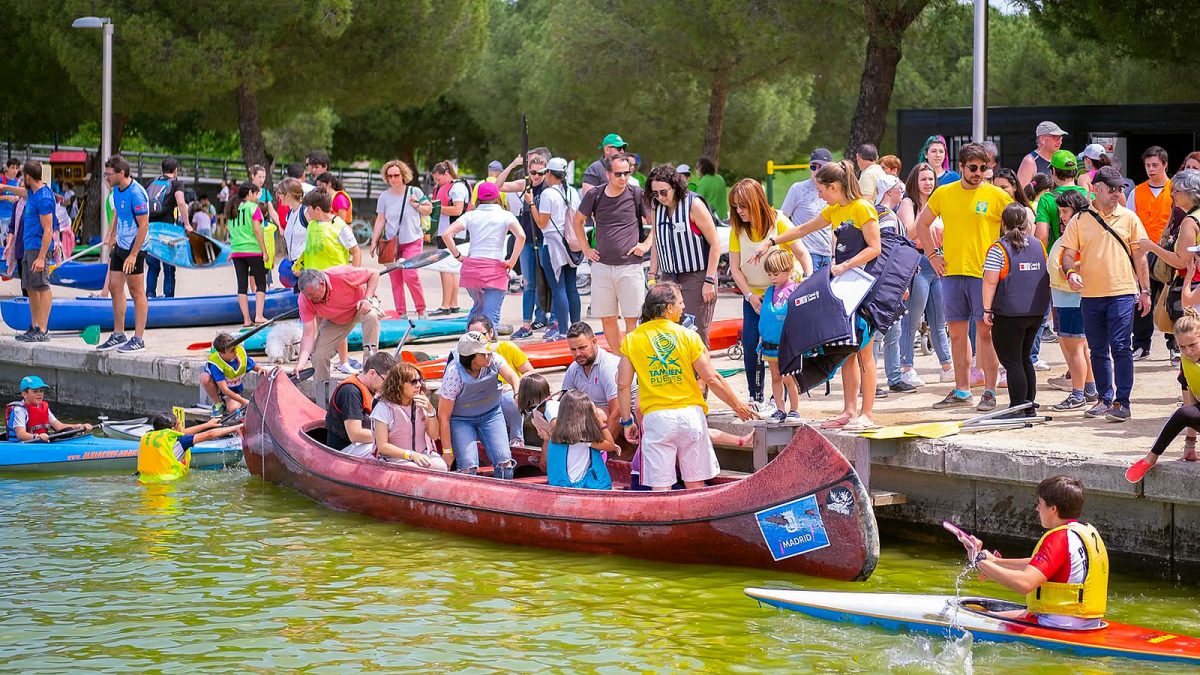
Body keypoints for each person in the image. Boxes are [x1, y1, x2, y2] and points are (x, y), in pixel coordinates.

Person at [756, 160, 883, 431]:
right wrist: (772, 241)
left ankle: (867, 412)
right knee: (848, 350)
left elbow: (875, 248)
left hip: (863, 286)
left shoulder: (862, 207)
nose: (819, 195)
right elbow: (803, 229)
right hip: (844, 287)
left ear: (834, 187)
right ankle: (849, 410)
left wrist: (844, 266)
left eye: (821, 190)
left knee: (865, 351)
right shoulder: (835, 210)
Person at [617, 283, 754, 491]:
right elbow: (712, 378)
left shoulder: (632, 339)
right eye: (680, 303)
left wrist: (627, 422)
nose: (683, 307)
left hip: (657, 419)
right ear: (668, 308)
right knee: (696, 485)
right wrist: (737, 406)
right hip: (691, 417)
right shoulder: (688, 336)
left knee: (660, 488)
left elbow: (622, 384)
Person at [911, 143, 1014, 412]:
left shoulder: (996, 195)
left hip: (985, 275)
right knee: (957, 334)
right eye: (973, 168)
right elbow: (921, 224)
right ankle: (962, 390)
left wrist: (1007, 259)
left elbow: (1021, 222)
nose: (978, 173)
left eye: (983, 168)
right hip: (952, 273)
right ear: (961, 167)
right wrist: (933, 256)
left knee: (985, 334)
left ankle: (989, 392)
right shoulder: (944, 193)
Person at [1059, 166, 1151, 422]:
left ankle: (1122, 402)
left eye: (1119, 189)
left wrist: (1145, 291)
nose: (1116, 193)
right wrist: (1070, 273)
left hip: (1122, 292)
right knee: (1097, 350)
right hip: (1090, 295)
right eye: (1111, 189)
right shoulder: (1079, 220)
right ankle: (1104, 399)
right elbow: (1067, 254)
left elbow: (1140, 258)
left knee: (1120, 347)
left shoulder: (1129, 218)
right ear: (1095, 189)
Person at [963, 476, 1108, 631]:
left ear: (1053, 509)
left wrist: (979, 561)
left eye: (1040, 503)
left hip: (1057, 624)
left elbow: (1025, 584)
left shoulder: (1059, 538)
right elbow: (1041, 565)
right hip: (1084, 621)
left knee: (977, 617)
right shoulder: (1082, 531)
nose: (1037, 509)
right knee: (991, 613)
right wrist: (996, 561)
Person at [727, 178, 810, 411]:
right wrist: (749, 296)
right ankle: (756, 395)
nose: (739, 211)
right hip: (754, 297)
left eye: (743, 206)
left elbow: (802, 254)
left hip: (782, 297)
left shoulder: (778, 221)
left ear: (756, 202)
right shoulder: (738, 230)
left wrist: (805, 282)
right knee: (751, 342)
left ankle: (780, 398)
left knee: (780, 347)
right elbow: (735, 268)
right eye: (735, 207)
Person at [573, 153, 650, 348]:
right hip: (602, 266)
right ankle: (617, 358)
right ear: (608, 174)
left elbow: (656, 222)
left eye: (627, 173)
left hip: (630, 266)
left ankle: (630, 358)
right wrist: (586, 248)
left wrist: (646, 244)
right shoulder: (595, 194)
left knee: (632, 318)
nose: (623, 178)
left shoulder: (636, 193)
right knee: (607, 318)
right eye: (618, 174)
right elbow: (578, 221)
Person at [982, 204, 1051, 417]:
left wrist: (986, 309)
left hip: (1009, 313)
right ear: (1026, 223)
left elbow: (990, 282)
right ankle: (1028, 405)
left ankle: (1018, 405)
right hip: (1036, 311)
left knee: (1012, 361)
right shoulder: (1038, 245)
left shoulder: (999, 248)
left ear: (1003, 223)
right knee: (1024, 357)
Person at [645, 164, 721, 345]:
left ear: (675, 186)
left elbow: (715, 243)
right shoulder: (656, 207)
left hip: (697, 276)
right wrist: (652, 276)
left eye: (664, 192)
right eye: (655, 193)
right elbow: (657, 242)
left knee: (694, 332)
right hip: (668, 277)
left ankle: (702, 365)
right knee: (668, 331)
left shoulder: (693, 204)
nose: (660, 197)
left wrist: (709, 280)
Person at [1126, 307, 1200, 481]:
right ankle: (1150, 458)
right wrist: (1190, 445)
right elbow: (1190, 405)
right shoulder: (1186, 361)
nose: (1188, 351)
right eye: (1182, 347)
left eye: (1192, 345)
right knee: (1184, 411)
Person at [897, 162, 953, 387]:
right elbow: (908, 233)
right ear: (915, 181)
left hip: (938, 262)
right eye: (923, 179)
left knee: (939, 320)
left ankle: (947, 366)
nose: (928, 183)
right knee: (912, 319)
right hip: (917, 262)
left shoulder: (938, 202)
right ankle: (906, 368)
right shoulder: (908, 203)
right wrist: (927, 218)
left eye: (931, 179)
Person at [437, 331, 522, 479]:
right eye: (483, 354)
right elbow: (443, 416)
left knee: (505, 462)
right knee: (468, 465)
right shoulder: (454, 374)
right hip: (461, 420)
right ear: (470, 357)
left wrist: (517, 393)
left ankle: (502, 488)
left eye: (489, 351)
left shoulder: (494, 359)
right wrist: (447, 451)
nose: (489, 355)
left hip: (491, 414)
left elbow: (512, 376)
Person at [443, 181, 524, 329]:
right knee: (490, 315)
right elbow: (521, 236)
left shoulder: (470, 215)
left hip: (471, 269)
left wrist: (458, 256)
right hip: (494, 269)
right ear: (497, 197)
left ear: (478, 198)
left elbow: (446, 234)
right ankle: (489, 342)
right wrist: (512, 261)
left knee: (477, 308)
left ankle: (469, 340)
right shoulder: (506, 215)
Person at [1046, 190, 1099, 412]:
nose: (1062, 216)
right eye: (1060, 212)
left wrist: (1068, 269)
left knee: (1075, 348)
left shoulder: (1079, 233)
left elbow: (1084, 261)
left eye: (1065, 211)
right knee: (1081, 348)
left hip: (1071, 297)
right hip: (1066, 296)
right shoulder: (1076, 232)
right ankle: (1089, 389)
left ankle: (1077, 394)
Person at [291, 266, 382, 385]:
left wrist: (368, 298)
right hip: (337, 319)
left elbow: (374, 273)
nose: (310, 299)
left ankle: (369, 369)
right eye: (307, 295)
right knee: (319, 355)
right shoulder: (305, 300)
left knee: (371, 316)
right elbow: (308, 334)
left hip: (360, 306)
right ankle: (323, 391)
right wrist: (301, 363)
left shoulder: (341, 275)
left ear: (322, 284)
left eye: (312, 295)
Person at [497, 149, 552, 339]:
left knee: (550, 281)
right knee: (529, 283)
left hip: (545, 240)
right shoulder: (524, 184)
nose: (536, 176)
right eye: (533, 172)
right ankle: (526, 325)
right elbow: (497, 186)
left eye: (540, 172)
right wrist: (513, 164)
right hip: (528, 239)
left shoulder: (549, 186)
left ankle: (552, 319)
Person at [527, 156, 582, 341]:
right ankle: (577, 328)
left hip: (552, 245)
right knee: (571, 287)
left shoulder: (548, 193)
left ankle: (564, 331)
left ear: (550, 174)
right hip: (571, 244)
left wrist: (531, 203)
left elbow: (542, 223)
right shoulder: (572, 191)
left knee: (558, 289)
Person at [99, 155, 151, 353]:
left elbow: (144, 225)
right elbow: (118, 216)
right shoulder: (116, 190)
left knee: (136, 291)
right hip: (121, 246)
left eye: (109, 174)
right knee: (114, 286)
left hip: (135, 248)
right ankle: (118, 334)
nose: (107, 177)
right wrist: (111, 235)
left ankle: (138, 339)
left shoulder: (136, 194)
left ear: (121, 173)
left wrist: (133, 255)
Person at [1129, 146, 1175, 361]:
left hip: (1169, 252)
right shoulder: (1137, 191)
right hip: (1143, 253)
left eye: (1155, 165)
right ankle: (1141, 344)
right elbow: (1130, 221)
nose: (1151, 169)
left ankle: (1174, 344)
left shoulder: (1176, 189)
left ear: (1165, 165)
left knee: (1170, 299)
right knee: (1142, 297)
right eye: (1147, 165)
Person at [371, 160, 432, 318]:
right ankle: (401, 313)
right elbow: (380, 219)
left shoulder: (414, 191)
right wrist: (374, 240)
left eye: (396, 175)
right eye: (390, 176)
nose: (393, 179)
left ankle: (421, 310)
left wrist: (417, 205)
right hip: (391, 243)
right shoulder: (384, 196)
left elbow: (429, 209)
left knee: (410, 275)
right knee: (395, 279)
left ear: (403, 175)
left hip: (413, 240)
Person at [467, 315, 533, 447]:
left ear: (490, 333)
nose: (477, 340)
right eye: (472, 336)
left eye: (481, 335)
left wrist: (514, 386)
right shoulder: (467, 354)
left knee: (508, 399)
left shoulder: (506, 348)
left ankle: (516, 438)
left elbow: (530, 372)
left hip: (507, 394)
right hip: (484, 397)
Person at [371, 362, 448, 470]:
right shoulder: (383, 408)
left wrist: (431, 411)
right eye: (413, 382)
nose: (419, 385)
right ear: (398, 384)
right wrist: (410, 454)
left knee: (441, 466)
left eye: (420, 380)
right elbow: (382, 446)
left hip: (422, 454)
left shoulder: (421, 404)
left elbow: (434, 436)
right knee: (412, 470)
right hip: (394, 459)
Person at [14, 160, 57, 343]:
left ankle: (43, 329)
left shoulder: (44, 198)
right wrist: (4, 188)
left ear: (28, 177)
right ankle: (35, 325)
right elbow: (21, 192)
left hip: (39, 249)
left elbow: (48, 230)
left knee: (42, 286)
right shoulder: (32, 192)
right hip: (28, 247)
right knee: (30, 287)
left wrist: (41, 257)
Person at [323, 351, 396, 457]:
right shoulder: (350, 391)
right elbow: (355, 434)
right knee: (390, 452)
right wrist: (388, 436)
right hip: (347, 448)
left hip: (366, 442)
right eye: (386, 381)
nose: (388, 387)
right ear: (372, 373)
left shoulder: (373, 390)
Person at [758, 249, 802, 421]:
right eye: (769, 274)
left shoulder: (795, 290)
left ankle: (794, 409)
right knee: (775, 376)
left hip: (787, 345)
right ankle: (780, 409)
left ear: (788, 269)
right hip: (770, 344)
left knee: (788, 377)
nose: (772, 278)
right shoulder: (769, 292)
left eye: (775, 274)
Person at [137, 413, 243, 484]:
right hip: (166, 485)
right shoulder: (180, 442)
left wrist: (207, 424)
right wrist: (235, 428)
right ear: (174, 428)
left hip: (143, 482)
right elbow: (209, 435)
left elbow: (183, 433)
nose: (182, 427)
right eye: (180, 424)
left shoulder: (149, 436)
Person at [561, 321, 624, 439]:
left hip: (624, 419)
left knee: (595, 415)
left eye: (582, 348)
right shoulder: (574, 368)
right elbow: (563, 404)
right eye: (573, 349)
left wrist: (606, 446)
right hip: (597, 417)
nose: (578, 354)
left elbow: (618, 412)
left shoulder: (608, 366)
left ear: (594, 342)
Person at [542, 389, 615, 490]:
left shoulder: (556, 435)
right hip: (578, 486)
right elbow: (611, 445)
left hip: (561, 485)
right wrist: (599, 420)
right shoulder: (584, 440)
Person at [780, 148, 834, 270]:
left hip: (827, 255)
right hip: (806, 253)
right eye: (813, 167)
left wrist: (834, 255)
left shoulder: (833, 191)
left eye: (821, 167)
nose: (816, 171)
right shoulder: (797, 189)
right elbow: (782, 219)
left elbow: (833, 227)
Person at [225, 181, 269, 326]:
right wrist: (264, 250)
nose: (257, 197)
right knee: (261, 283)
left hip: (237, 252)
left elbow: (231, 232)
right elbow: (257, 230)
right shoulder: (253, 208)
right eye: (256, 194)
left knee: (242, 285)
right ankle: (259, 316)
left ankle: (246, 319)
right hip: (253, 250)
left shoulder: (233, 209)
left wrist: (233, 250)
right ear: (250, 193)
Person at [144, 158, 190, 298]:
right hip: (167, 231)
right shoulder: (176, 184)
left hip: (150, 230)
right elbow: (181, 203)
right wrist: (187, 224)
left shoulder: (151, 183)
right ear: (175, 170)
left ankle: (149, 296)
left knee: (153, 266)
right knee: (169, 268)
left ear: (162, 169)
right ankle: (168, 298)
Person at [430, 160, 471, 316]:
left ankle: (445, 305)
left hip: (453, 233)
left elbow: (458, 210)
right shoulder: (451, 186)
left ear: (447, 174)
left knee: (445, 268)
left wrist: (436, 208)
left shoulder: (457, 187)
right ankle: (453, 303)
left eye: (438, 179)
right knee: (451, 269)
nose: (437, 183)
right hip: (447, 232)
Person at [6, 375, 92, 441]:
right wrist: (36, 436)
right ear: (25, 394)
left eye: (41, 391)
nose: (39, 394)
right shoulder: (20, 410)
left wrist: (79, 426)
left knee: (68, 430)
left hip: (41, 440)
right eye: (35, 391)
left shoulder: (43, 407)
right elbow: (21, 434)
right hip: (25, 444)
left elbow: (59, 426)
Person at [201, 332, 265, 417]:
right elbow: (225, 389)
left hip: (235, 390)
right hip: (222, 391)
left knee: (234, 408)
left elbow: (251, 364)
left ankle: (229, 403)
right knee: (205, 378)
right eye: (231, 351)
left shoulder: (239, 352)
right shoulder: (216, 364)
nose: (235, 352)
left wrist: (260, 368)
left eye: (235, 348)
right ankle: (218, 404)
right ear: (221, 353)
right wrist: (243, 401)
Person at [1017, 121, 1068, 188]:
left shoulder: (1060, 159)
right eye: (1056, 137)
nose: (1060, 142)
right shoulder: (1030, 161)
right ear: (1042, 139)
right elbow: (1021, 191)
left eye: (1061, 138)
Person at [581, 133, 628, 197]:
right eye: (619, 148)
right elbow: (588, 196)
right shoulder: (594, 169)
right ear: (607, 150)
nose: (622, 151)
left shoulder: (625, 167)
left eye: (623, 148)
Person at [694, 157, 728, 222]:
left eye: (697, 167)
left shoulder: (703, 181)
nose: (696, 170)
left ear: (702, 168)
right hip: (723, 217)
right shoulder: (720, 178)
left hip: (710, 218)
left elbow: (697, 201)